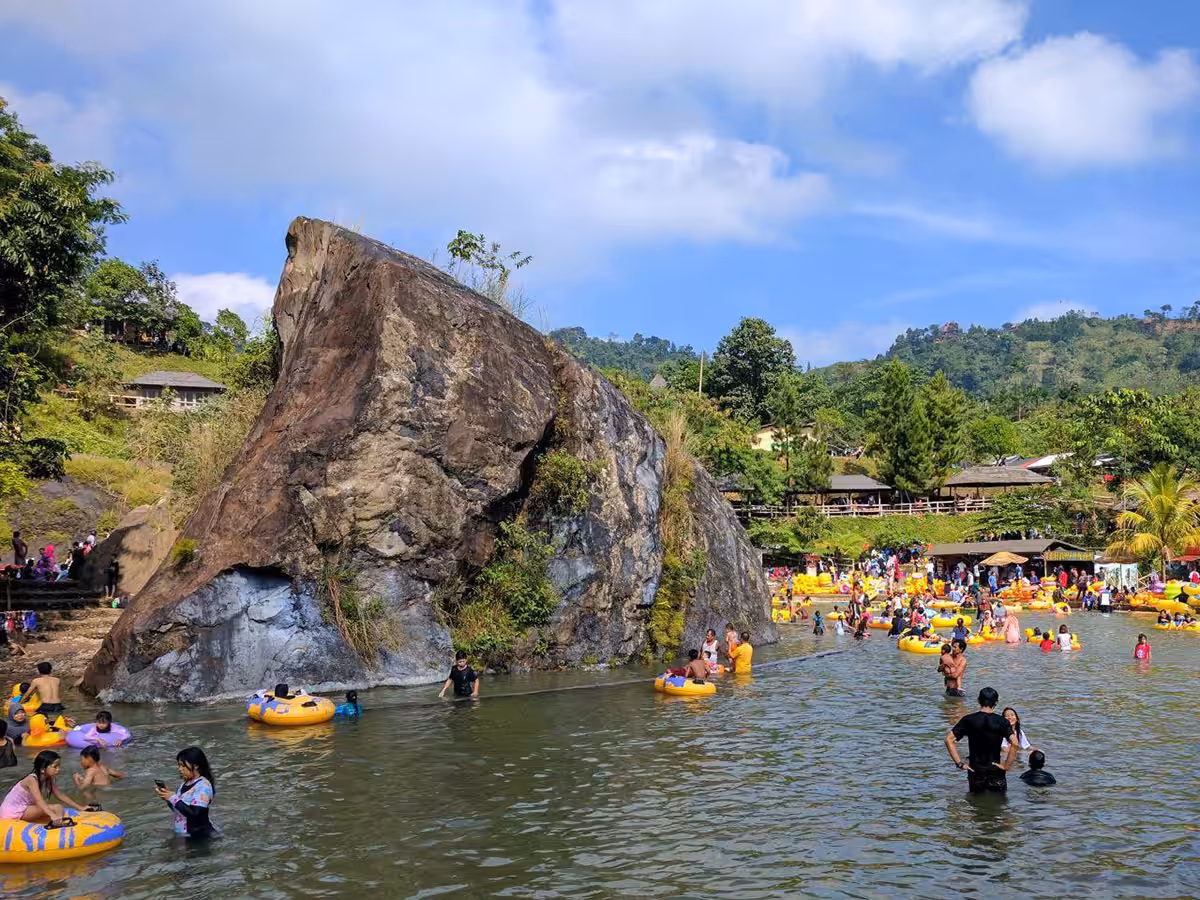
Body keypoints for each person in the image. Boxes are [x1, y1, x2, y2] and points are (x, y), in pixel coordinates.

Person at [944, 687, 1018, 794]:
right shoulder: (1002, 721)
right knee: (1000, 806)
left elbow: (948, 740)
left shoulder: (968, 720)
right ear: (996, 702)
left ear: (979, 700)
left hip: (975, 771)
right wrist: (1007, 765)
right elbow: (1015, 743)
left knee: (975, 807)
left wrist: (959, 763)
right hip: (996, 771)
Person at [0, 750, 95, 825]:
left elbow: (60, 795)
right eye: (55, 767)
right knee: (56, 808)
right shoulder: (31, 780)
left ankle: (57, 824)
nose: (58, 769)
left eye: (59, 766)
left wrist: (80, 807)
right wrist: (52, 814)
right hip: (11, 812)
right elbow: (39, 801)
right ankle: (57, 826)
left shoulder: (48, 778)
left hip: (24, 808)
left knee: (58, 808)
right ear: (42, 769)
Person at [156, 746, 216, 838]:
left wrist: (173, 798)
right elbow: (180, 810)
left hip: (198, 837)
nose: (180, 769)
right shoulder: (185, 783)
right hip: (184, 835)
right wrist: (167, 798)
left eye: (183, 765)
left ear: (196, 765)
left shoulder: (203, 786)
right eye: (179, 765)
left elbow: (195, 814)